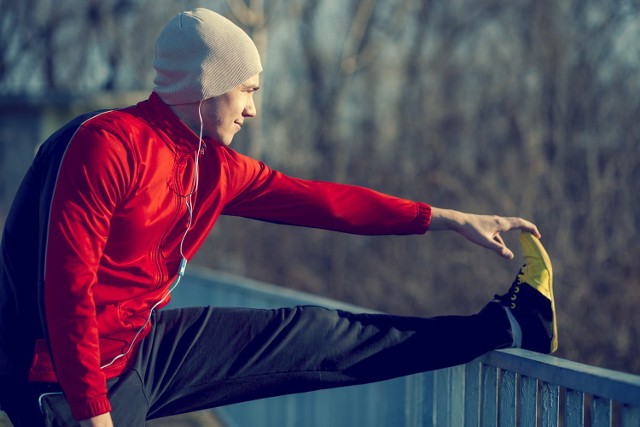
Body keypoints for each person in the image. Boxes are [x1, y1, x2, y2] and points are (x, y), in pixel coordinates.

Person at [0, 8, 556, 427]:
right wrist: (93, 412)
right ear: (204, 86)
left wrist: (448, 218)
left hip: (141, 349)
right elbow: (65, 290)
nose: (252, 108)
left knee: (317, 334)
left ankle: (509, 326)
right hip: (61, 382)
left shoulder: (215, 167)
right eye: (246, 90)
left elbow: (326, 202)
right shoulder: (108, 145)